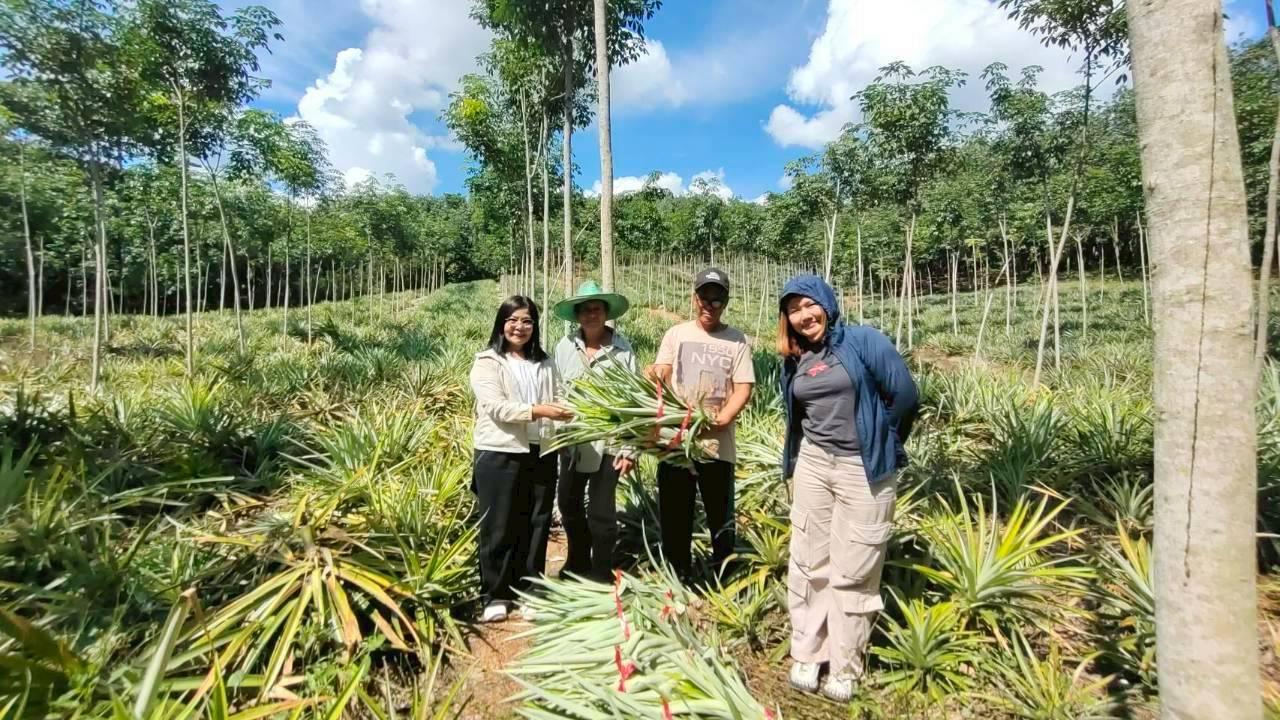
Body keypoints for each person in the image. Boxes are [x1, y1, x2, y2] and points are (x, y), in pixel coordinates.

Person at [776, 274, 919, 701]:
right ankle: (807, 652)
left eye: (809, 305)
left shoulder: (863, 340)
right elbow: (798, 414)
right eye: (793, 310)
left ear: (826, 303)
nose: (803, 316)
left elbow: (905, 396)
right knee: (807, 558)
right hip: (815, 465)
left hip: (864, 469)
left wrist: (883, 441)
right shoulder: (795, 359)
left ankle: (845, 665)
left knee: (855, 568)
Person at [645, 267, 755, 585]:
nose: (710, 304)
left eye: (717, 298)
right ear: (695, 298)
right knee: (675, 514)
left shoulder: (737, 341)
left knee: (720, 514)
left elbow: (743, 387)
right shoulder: (676, 334)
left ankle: (724, 576)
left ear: (726, 301)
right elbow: (663, 370)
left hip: (716, 443)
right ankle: (679, 575)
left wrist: (724, 417)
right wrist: (654, 373)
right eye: (704, 297)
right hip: (677, 440)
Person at [469, 295, 573, 623]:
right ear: (502, 323)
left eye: (527, 321)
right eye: (513, 320)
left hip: (540, 451)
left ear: (535, 326)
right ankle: (495, 595)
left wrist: (568, 419)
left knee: (536, 522)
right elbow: (497, 407)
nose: (520, 327)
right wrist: (539, 410)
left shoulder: (545, 362)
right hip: (499, 451)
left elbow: (559, 398)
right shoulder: (487, 361)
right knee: (498, 524)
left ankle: (528, 590)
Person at [552, 280, 638, 582]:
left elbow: (632, 400)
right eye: (586, 310)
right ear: (577, 316)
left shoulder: (622, 349)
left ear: (605, 313)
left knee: (602, 510)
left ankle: (602, 567)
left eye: (597, 309)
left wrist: (630, 448)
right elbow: (559, 390)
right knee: (568, 502)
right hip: (574, 439)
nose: (591, 314)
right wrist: (559, 433)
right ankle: (576, 559)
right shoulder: (563, 348)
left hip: (609, 440)